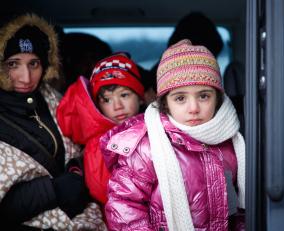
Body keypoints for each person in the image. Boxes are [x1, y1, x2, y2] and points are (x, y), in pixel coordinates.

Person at [100, 39, 245, 230]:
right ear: (165, 103)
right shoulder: (147, 147)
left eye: (203, 96)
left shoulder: (230, 144)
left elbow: (238, 212)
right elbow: (125, 208)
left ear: (217, 98)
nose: (193, 108)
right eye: (180, 98)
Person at [0, 14, 106, 230]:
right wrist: (54, 190)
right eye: (13, 64)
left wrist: (77, 170)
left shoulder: (55, 101)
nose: (26, 77)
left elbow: (81, 149)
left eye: (34, 64)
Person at [56, 52, 145, 206]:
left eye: (124, 95)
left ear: (140, 96)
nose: (117, 106)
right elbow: (103, 191)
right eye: (107, 100)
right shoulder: (99, 144)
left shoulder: (158, 128)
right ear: (97, 105)